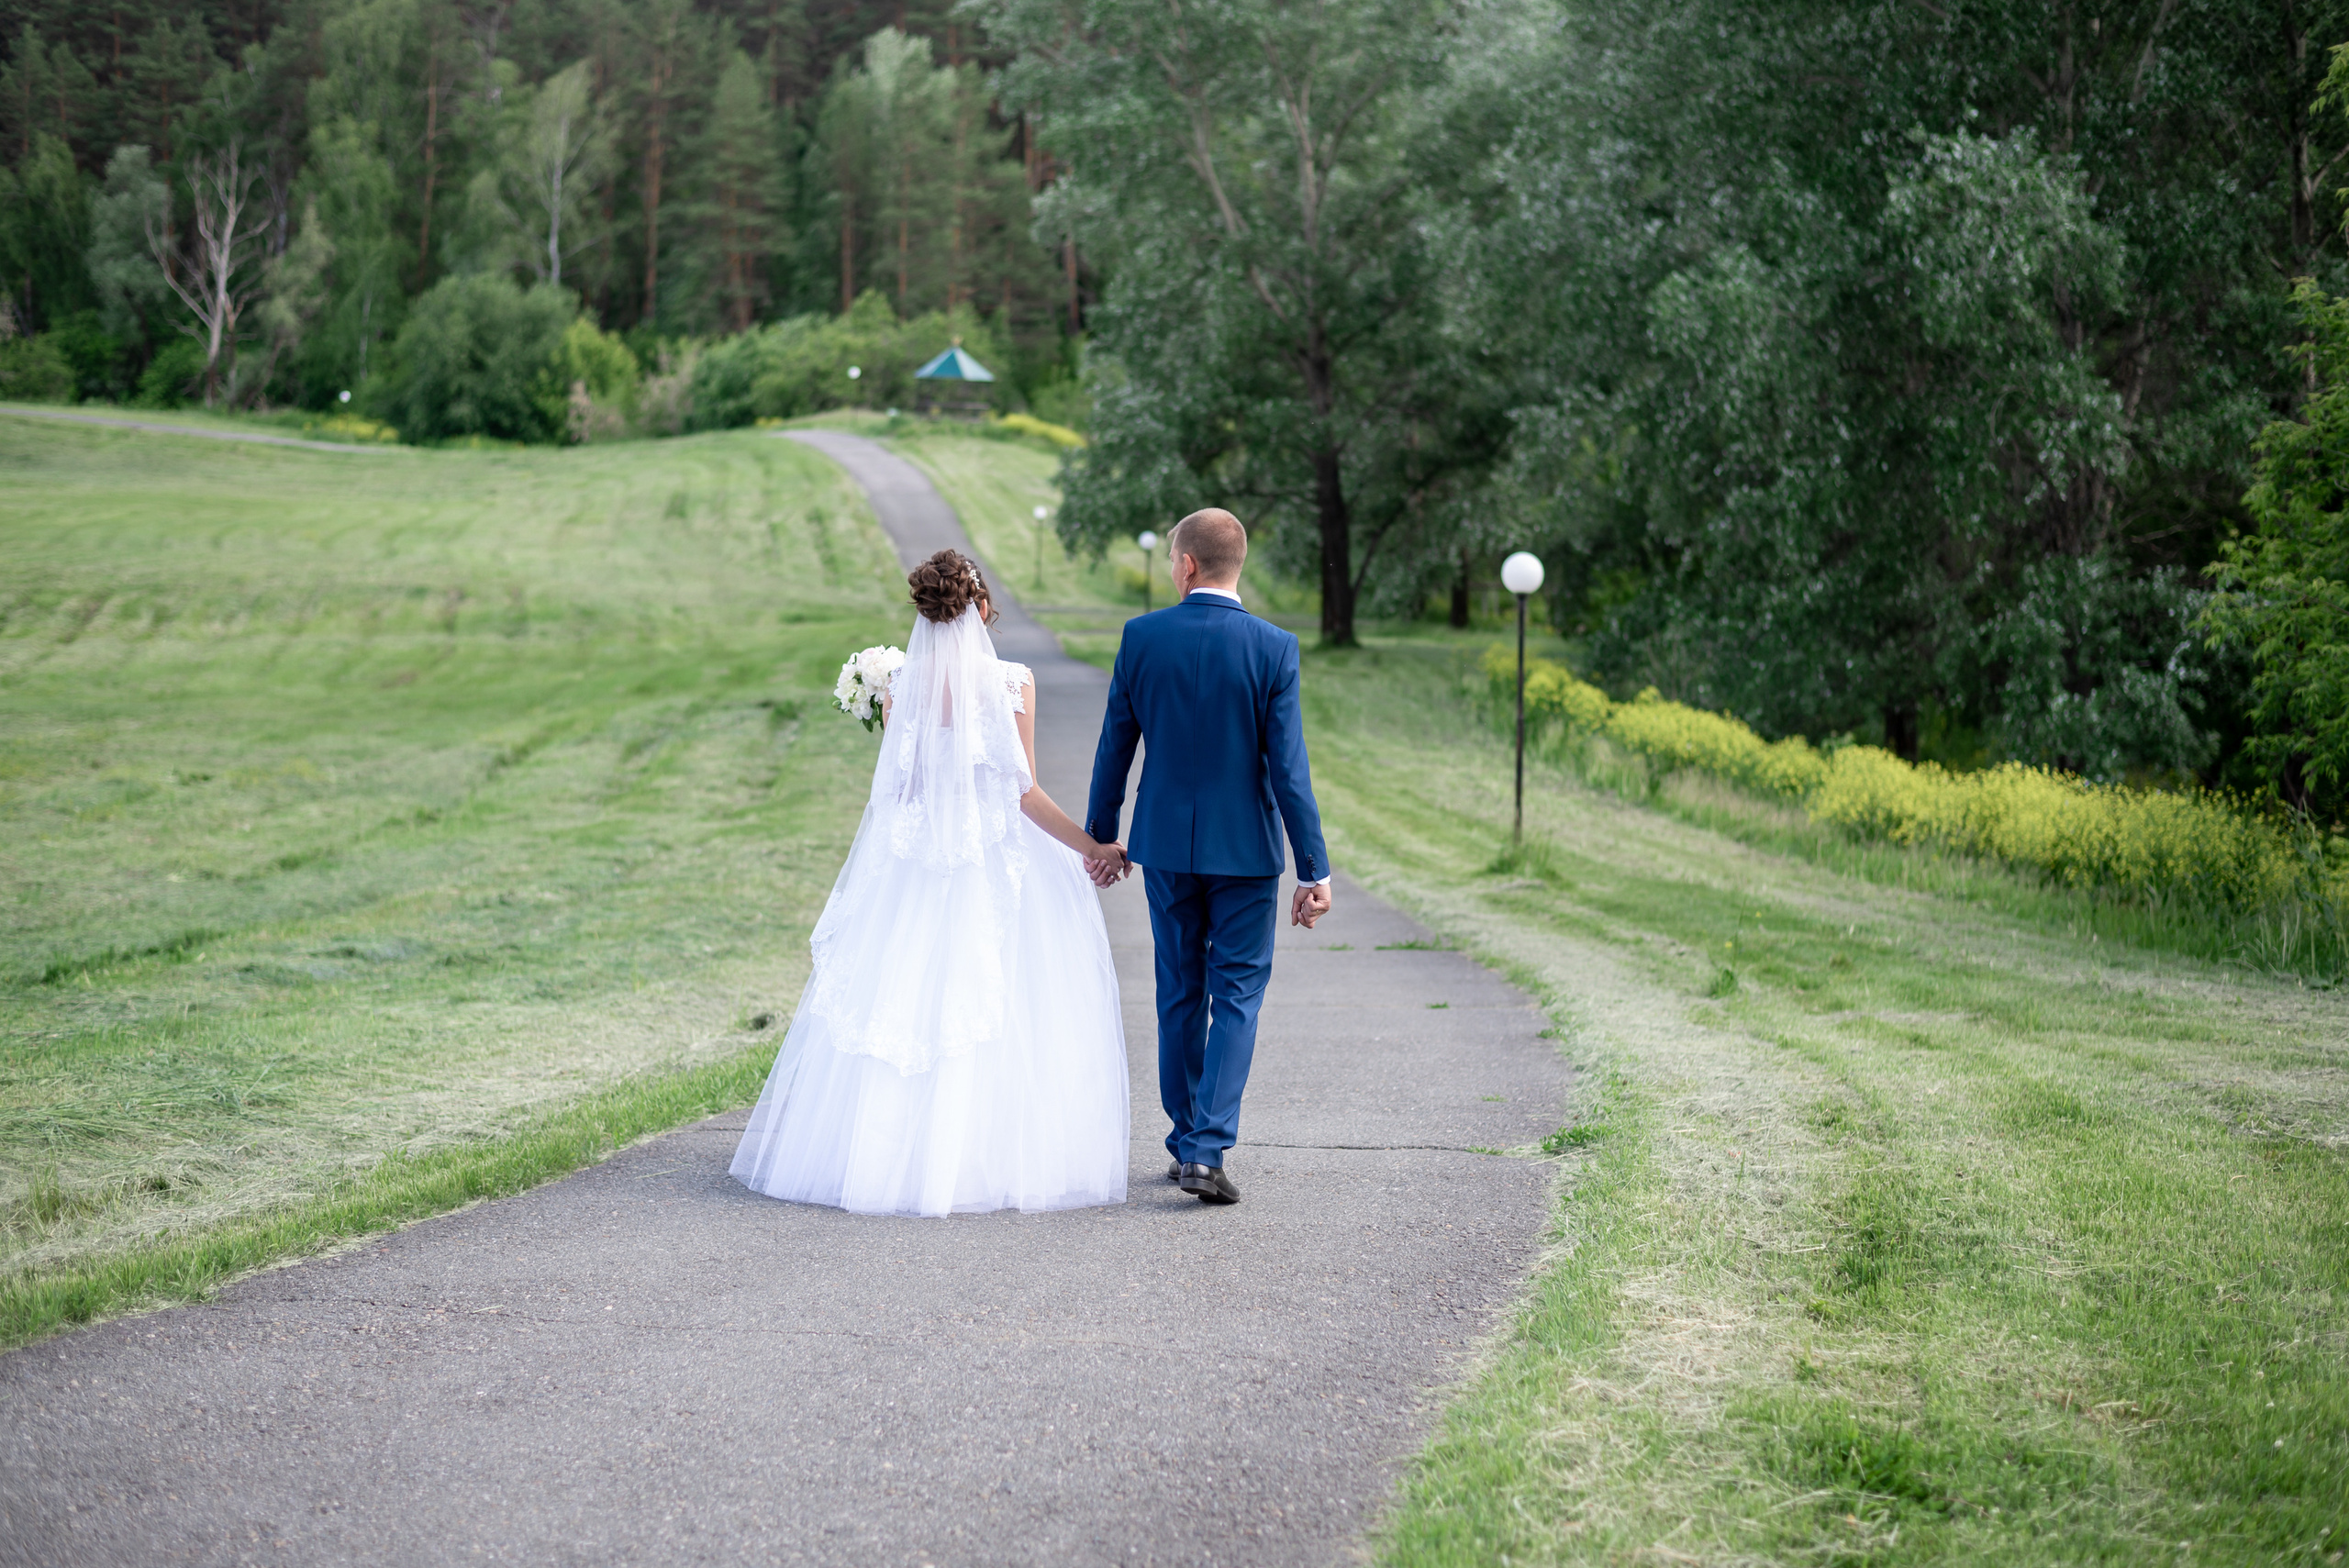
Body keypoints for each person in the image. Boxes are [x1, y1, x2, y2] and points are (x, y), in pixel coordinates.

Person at [729, 550, 1131, 1217]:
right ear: (981, 607)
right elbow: (1023, 792)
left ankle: (884, 1162)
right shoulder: (1013, 683)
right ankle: (984, 1159)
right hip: (992, 858)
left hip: (914, 865)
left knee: (906, 995)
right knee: (1000, 1000)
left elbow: (904, 789)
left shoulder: (897, 686)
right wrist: (1093, 846)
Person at [1083, 508, 1330, 1206]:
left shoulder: (1142, 637)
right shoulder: (1275, 647)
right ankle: (1206, 1148)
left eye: (1170, 559)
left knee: (1180, 989)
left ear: (1187, 564)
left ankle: (1186, 1137)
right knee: (1239, 995)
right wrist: (1313, 868)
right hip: (1246, 853)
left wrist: (1103, 833)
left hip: (1163, 846)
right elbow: (1289, 769)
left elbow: (1115, 746)